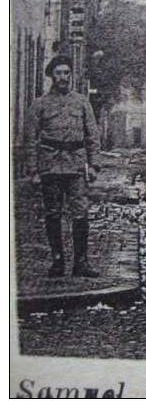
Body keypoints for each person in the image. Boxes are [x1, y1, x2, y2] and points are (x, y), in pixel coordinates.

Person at [25, 55, 101, 278]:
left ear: (71, 75)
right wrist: (33, 170)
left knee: (80, 212)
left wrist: (94, 164)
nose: (63, 77)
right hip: (50, 166)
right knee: (52, 213)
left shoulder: (81, 102)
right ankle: (57, 261)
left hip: (76, 166)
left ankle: (81, 262)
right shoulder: (40, 105)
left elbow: (92, 135)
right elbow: (30, 139)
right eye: (58, 73)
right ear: (51, 76)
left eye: (66, 73)